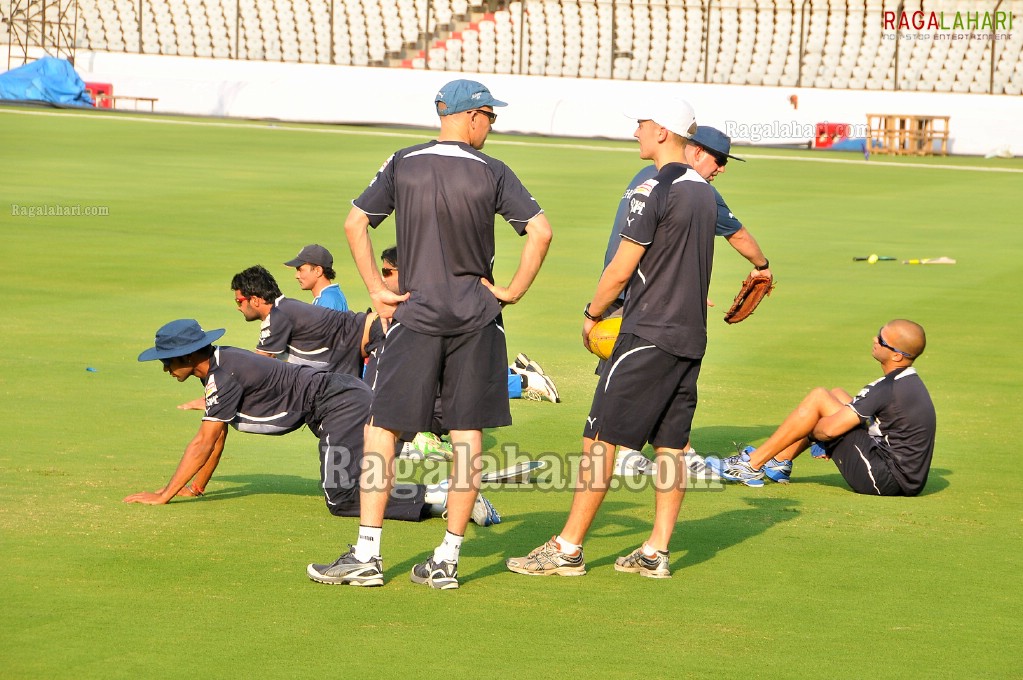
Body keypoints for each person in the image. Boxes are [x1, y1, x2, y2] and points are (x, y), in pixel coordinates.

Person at [310, 79, 552, 590]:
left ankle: (368, 555)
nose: (492, 125)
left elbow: (356, 224)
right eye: (490, 116)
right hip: (477, 317)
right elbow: (541, 230)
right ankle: (447, 560)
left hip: (415, 315)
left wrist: (377, 288)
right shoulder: (494, 171)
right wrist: (512, 291)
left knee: (383, 432)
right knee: (467, 439)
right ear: (470, 116)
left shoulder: (404, 161)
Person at [506, 98, 715, 580]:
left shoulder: (652, 187)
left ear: (663, 131)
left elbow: (623, 266)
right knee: (670, 446)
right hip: (688, 337)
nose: (636, 131)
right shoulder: (703, 190)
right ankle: (656, 550)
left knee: (599, 440)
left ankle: (567, 549)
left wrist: (591, 313)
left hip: (645, 333)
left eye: (642, 124)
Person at [124, 319, 492, 529]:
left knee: (342, 497)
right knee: (358, 482)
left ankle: (441, 496)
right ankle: (443, 490)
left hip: (338, 403)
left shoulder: (224, 374)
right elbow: (216, 439)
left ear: (189, 356)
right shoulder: (221, 368)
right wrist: (196, 487)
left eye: (168, 360)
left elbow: (202, 443)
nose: (165, 368)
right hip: (335, 400)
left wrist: (163, 495)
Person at [605, 125, 773, 478]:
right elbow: (738, 234)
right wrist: (763, 266)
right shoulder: (694, 189)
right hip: (641, 296)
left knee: (635, 371)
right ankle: (634, 452)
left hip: (624, 286)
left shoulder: (646, 174)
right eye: (720, 159)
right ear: (695, 151)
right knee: (649, 372)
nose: (722, 168)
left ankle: (661, 449)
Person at [708, 319, 936, 496]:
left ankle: (752, 465)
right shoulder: (907, 381)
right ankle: (779, 462)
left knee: (819, 399)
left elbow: (828, 430)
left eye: (882, 340)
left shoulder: (886, 387)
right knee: (836, 394)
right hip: (900, 476)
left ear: (896, 355)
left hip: (886, 482)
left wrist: (821, 438)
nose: (874, 339)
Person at [374, 246, 560, 403]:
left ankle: (524, 381)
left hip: (469, 353)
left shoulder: (426, 302)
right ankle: (513, 370)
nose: (382, 279)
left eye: (387, 272)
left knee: (457, 387)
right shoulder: (408, 301)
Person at [232, 265, 368, 377]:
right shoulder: (285, 308)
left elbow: (257, 365)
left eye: (239, 302)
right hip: (360, 346)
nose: (238, 308)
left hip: (373, 336)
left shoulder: (278, 314)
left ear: (255, 300)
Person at [284, 243, 349, 311]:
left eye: (300, 270)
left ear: (318, 271)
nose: (296, 276)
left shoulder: (327, 301)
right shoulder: (331, 295)